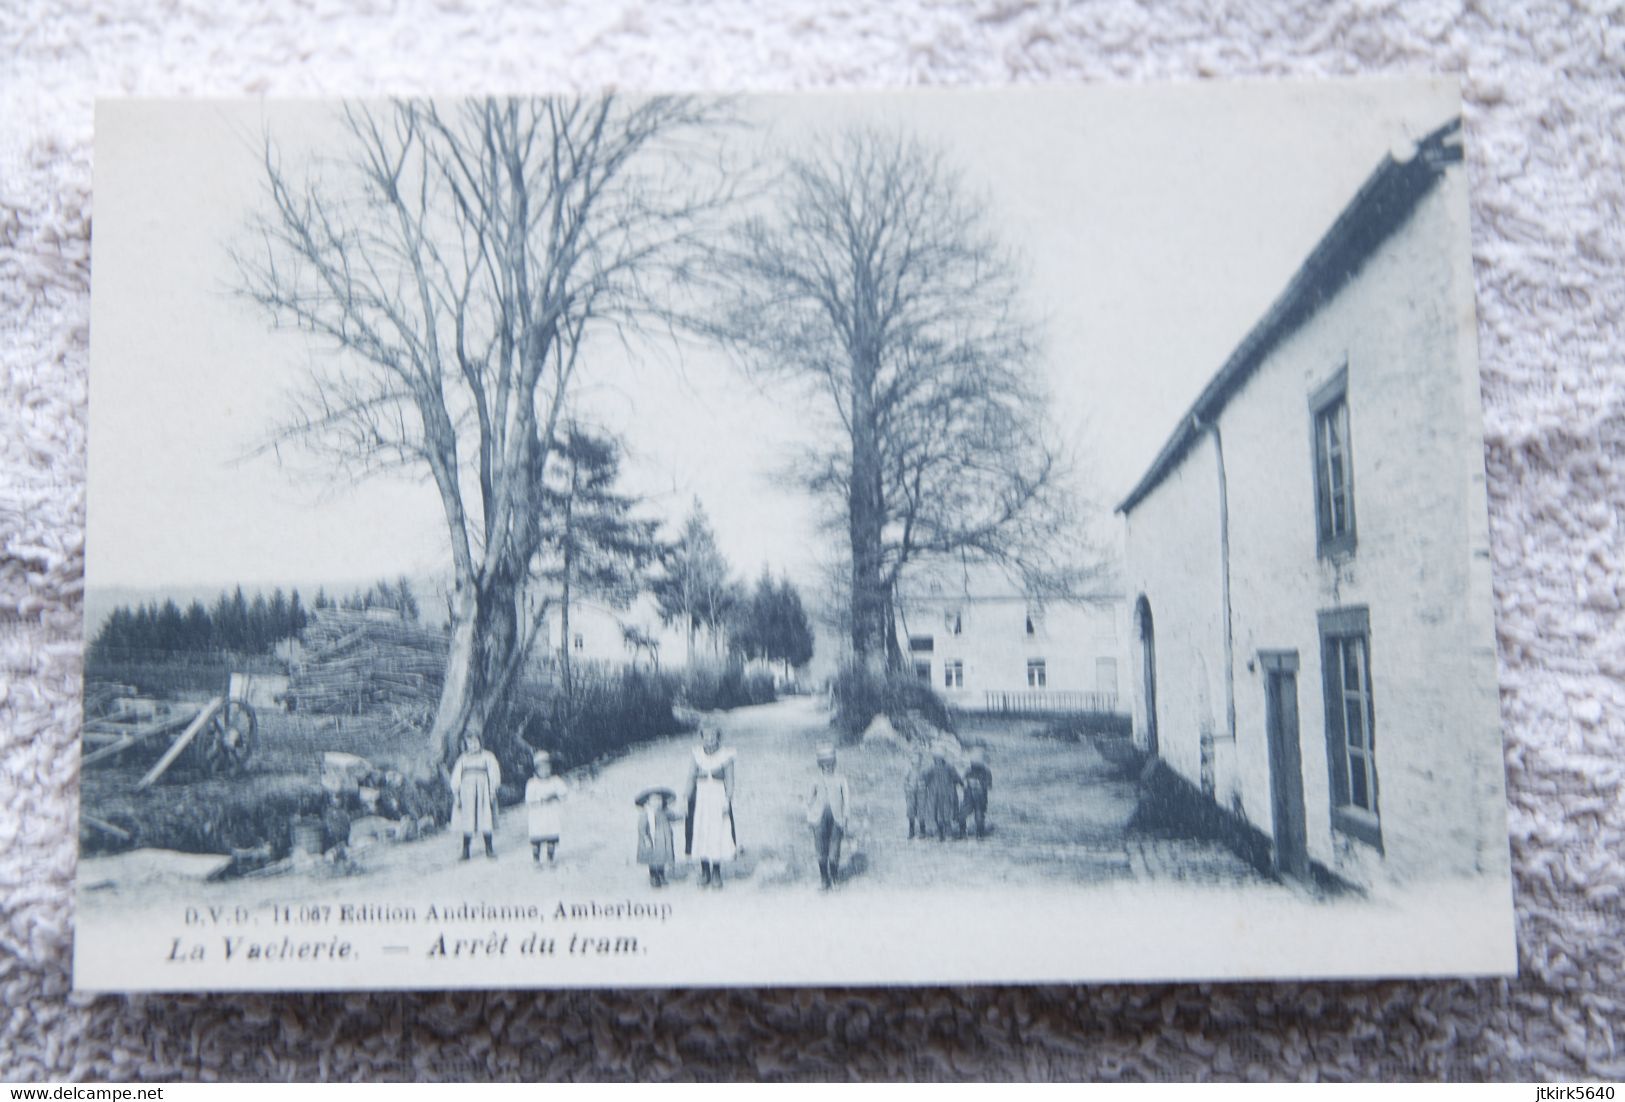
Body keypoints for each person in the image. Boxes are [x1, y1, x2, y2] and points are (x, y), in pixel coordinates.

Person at [684, 727, 737, 888]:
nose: (709, 739)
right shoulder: (696, 754)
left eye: (712, 736)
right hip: (700, 800)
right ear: (702, 738)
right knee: (701, 833)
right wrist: (686, 798)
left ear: (718, 738)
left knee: (717, 833)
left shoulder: (726, 756)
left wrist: (728, 801)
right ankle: (704, 871)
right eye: (706, 736)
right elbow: (691, 778)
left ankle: (716, 872)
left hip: (717, 799)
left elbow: (730, 780)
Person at [449, 730, 500, 860]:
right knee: (467, 819)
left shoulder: (487, 756)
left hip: (483, 792)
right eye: (469, 743)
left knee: (485, 818)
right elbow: (456, 778)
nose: (473, 745)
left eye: (475, 742)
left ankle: (489, 848)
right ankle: (466, 850)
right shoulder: (463, 759)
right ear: (465, 745)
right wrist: (456, 794)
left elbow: (494, 773)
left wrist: (492, 790)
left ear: (480, 742)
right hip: (467, 794)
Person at [806, 743, 851, 890]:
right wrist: (810, 816)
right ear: (820, 765)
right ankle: (824, 879)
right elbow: (809, 800)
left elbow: (847, 800)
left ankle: (835, 878)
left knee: (835, 848)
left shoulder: (841, 779)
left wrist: (845, 817)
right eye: (825, 764)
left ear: (835, 763)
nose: (828, 767)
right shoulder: (815, 779)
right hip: (819, 818)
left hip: (836, 818)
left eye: (831, 764)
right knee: (820, 849)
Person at [525, 750, 567, 866]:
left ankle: (550, 858)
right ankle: (536, 860)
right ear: (536, 769)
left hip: (551, 814)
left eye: (547, 768)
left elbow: (563, 792)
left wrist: (556, 796)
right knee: (536, 839)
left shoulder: (555, 781)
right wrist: (541, 800)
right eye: (542, 768)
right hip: (537, 815)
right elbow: (529, 800)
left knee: (551, 836)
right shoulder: (532, 783)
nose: (545, 771)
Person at [635, 786, 681, 887]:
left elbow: (674, 817)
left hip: (664, 840)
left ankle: (661, 875)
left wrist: (683, 815)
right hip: (652, 839)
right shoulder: (646, 814)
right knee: (652, 859)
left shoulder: (665, 812)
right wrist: (646, 838)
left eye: (660, 799)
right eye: (654, 800)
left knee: (662, 859)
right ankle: (653, 876)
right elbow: (642, 828)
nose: (658, 802)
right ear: (648, 802)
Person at [920, 749, 962, 842]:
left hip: (936, 795)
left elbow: (924, 779)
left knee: (939, 814)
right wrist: (960, 783)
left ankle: (942, 834)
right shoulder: (949, 767)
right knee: (946, 813)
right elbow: (957, 778)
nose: (937, 760)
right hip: (946, 794)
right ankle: (947, 833)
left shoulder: (931, 768)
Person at [958, 748, 993, 839]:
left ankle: (980, 833)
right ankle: (962, 832)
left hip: (980, 798)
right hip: (968, 798)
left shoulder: (986, 772)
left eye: (975, 763)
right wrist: (966, 783)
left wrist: (978, 784)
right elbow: (963, 782)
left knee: (979, 816)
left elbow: (989, 785)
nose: (974, 764)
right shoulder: (968, 771)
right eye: (973, 763)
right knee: (962, 815)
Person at [904, 748, 928, 839]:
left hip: (921, 792)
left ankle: (922, 830)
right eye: (913, 758)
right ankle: (911, 830)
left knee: (921, 810)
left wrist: (923, 784)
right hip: (911, 792)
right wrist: (907, 788)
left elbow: (927, 779)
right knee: (911, 810)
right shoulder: (909, 769)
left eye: (917, 758)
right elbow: (905, 781)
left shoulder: (924, 769)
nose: (915, 761)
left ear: (920, 760)